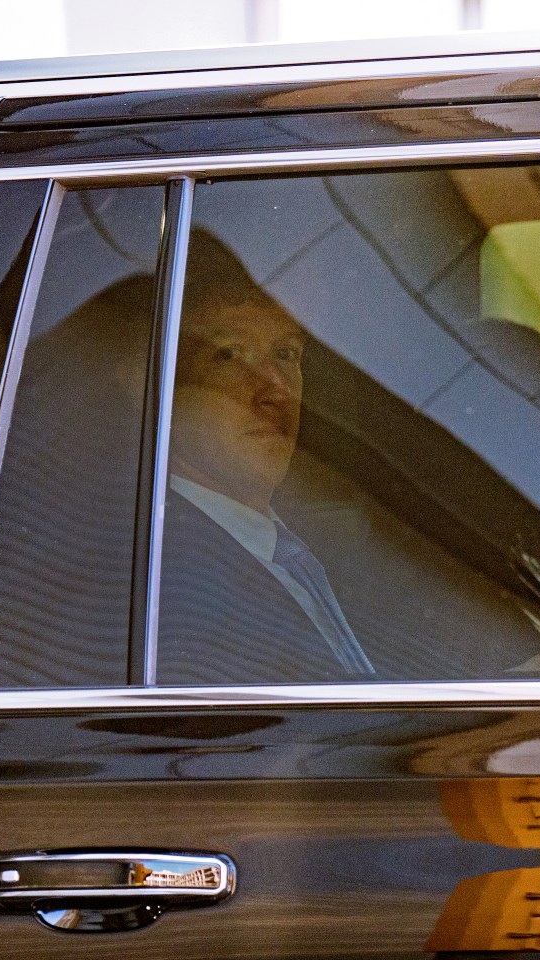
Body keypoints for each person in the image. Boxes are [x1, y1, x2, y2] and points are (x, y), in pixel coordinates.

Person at [157, 231, 376, 684]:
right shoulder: (168, 589)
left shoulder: (320, 545)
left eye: (286, 353)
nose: (276, 390)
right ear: (159, 384)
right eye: (230, 354)